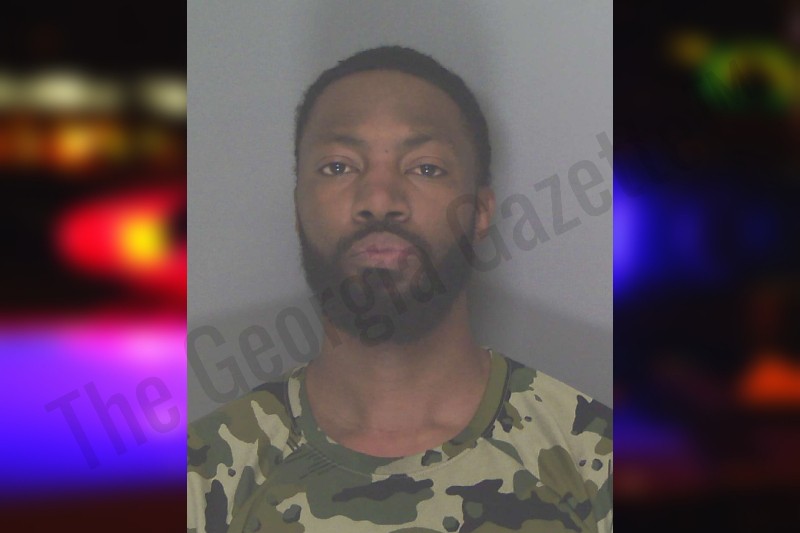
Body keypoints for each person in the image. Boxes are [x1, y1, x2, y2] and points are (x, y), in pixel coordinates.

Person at [188, 46, 612, 533]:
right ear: (299, 207)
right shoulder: (204, 478)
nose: (379, 199)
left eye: (426, 167)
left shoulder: (595, 462)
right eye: (339, 166)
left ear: (480, 212)